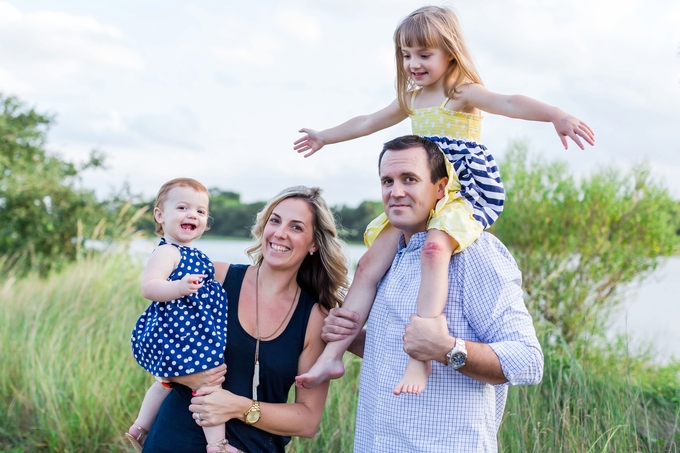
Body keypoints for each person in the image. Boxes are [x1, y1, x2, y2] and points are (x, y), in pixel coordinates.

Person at [294, 5, 591, 395]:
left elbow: (511, 102)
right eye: (406, 55)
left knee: (435, 251)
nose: (413, 64)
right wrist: (324, 136)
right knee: (367, 264)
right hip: (420, 194)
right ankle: (334, 354)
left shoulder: (461, 92)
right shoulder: (412, 99)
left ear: (449, 52)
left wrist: (556, 115)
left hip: (460, 191)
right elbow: (366, 122)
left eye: (423, 54)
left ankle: (421, 360)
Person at [323, 135, 544, 452]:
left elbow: (528, 361)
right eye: (387, 181)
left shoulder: (474, 254)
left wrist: (447, 349)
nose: (395, 192)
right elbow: (397, 345)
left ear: (441, 188)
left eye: (409, 179)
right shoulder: (389, 257)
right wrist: (349, 336)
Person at [141, 186, 350, 453]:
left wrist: (239, 407)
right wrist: (185, 377)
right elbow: (156, 341)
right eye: (275, 221)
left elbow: (307, 421)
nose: (280, 233)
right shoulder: (213, 276)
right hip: (172, 441)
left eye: (296, 227)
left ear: (314, 244)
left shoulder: (315, 317)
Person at [127, 178, 230, 453]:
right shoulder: (167, 252)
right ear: (160, 215)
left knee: (164, 383)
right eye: (182, 207)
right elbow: (149, 287)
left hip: (187, 332)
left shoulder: (195, 254)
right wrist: (179, 287)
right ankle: (217, 444)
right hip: (179, 334)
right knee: (208, 385)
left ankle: (140, 427)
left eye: (200, 211)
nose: (191, 215)